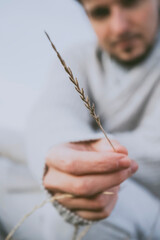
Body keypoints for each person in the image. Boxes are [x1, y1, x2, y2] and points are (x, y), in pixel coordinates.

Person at [27, 0, 160, 239]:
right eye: (100, 12)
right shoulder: (78, 58)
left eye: (131, 3)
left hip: (149, 204)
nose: (119, 27)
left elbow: (155, 151)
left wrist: (90, 156)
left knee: (88, 204)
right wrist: (60, 149)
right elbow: (52, 112)